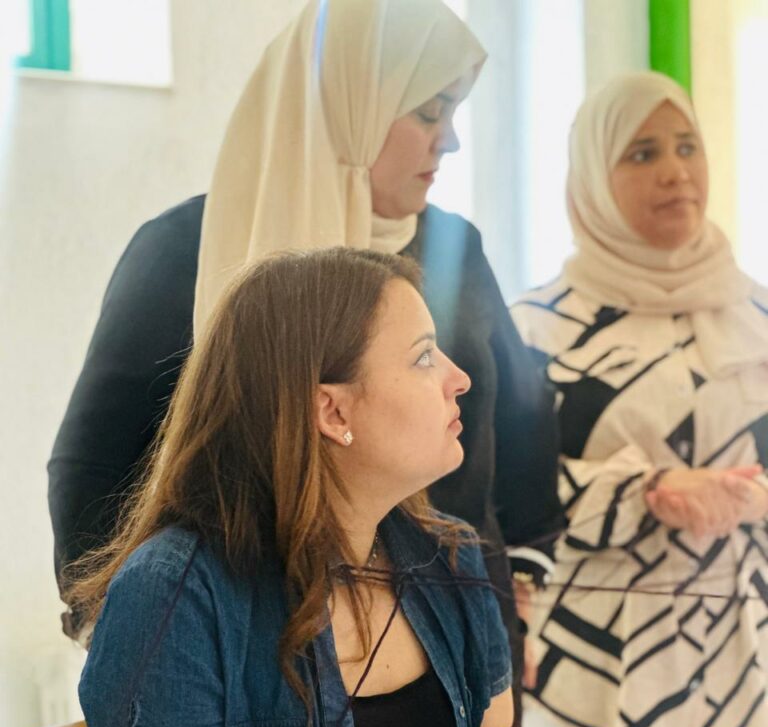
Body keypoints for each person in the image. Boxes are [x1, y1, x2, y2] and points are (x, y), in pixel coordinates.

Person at [67, 247, 599, 727]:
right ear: (333, 413)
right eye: (424, 357)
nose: (460, 378)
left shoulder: (450, 563)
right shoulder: (173, 595)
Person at [47, 0, 561, 679]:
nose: (450, 141)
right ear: (349, 106)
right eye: (428, 113)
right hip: (260, 652)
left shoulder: (455, 249)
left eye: (453, 113)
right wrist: (127, 635)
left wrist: (519, 585)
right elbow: (95, 462)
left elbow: (519, 420)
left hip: (455, 630)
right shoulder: (188, 248)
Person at [509, 71, 768, 727]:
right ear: (590, 175)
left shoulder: (756, 313)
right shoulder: (536, 327)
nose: (675, 173)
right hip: (593, 666)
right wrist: (644, 491)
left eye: (687, 146)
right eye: (643, 153)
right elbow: (508, 496)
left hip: (740, 669)